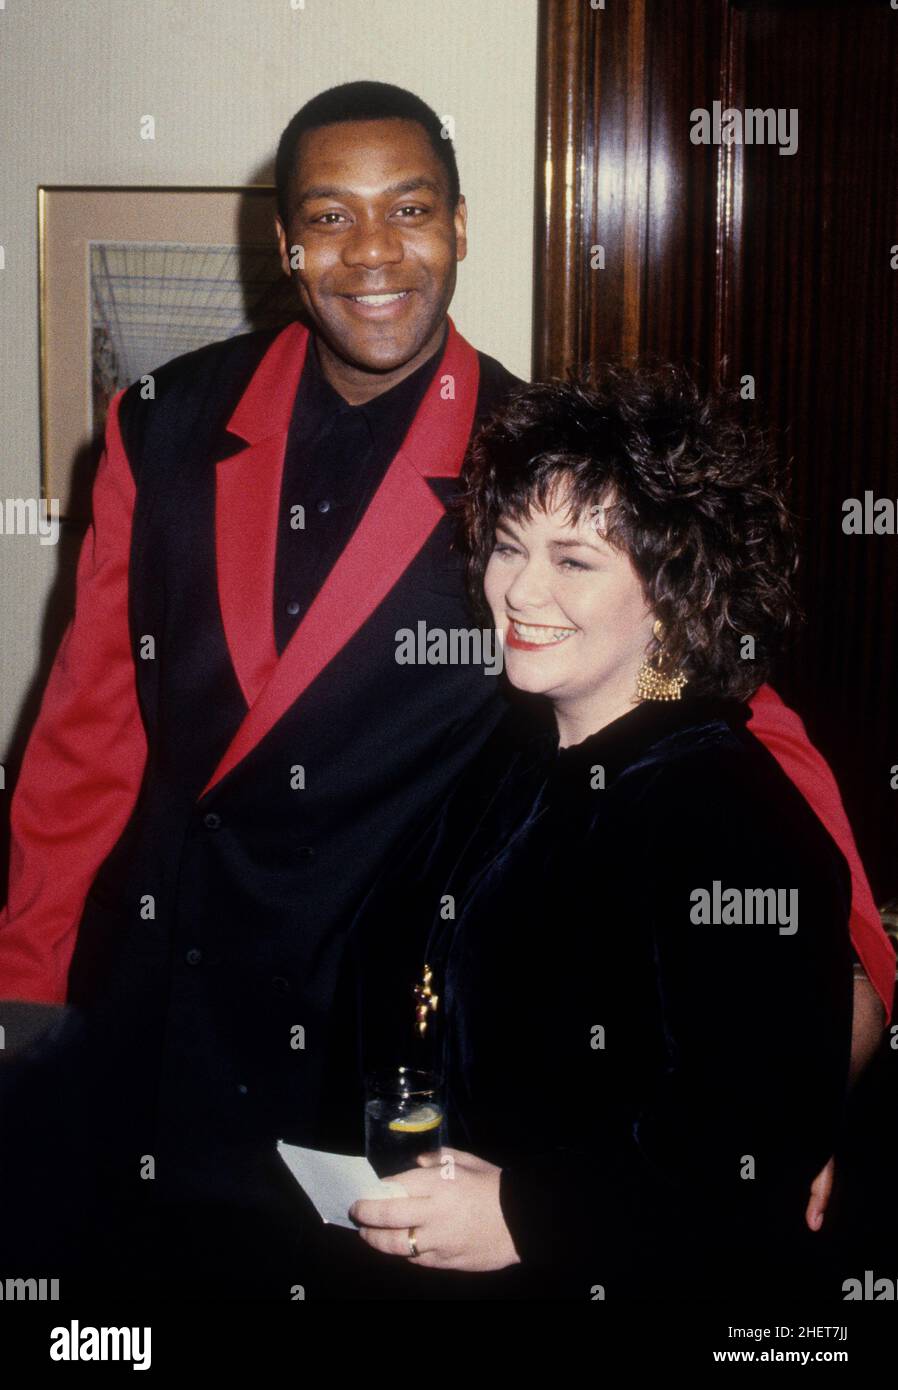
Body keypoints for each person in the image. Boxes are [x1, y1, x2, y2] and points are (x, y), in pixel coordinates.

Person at [0, 82, 890, 1300]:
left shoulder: (535, 467)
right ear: (284, 243)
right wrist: (27, 988)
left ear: (462, 227)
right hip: (150, 1009)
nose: (374, 252)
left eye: (410, 210)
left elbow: (730, 710)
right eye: (331, 216)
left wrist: (832, 1022)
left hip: (366, 1060)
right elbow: (83, 739)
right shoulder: (163, 421)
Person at [348, 366, 892, 1300]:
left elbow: (748, 1157)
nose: (518, 591)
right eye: (508, 547)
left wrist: (531, 1212)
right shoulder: (517, 753)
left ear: (674, 591)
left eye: (575, 560)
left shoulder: (730, 813)